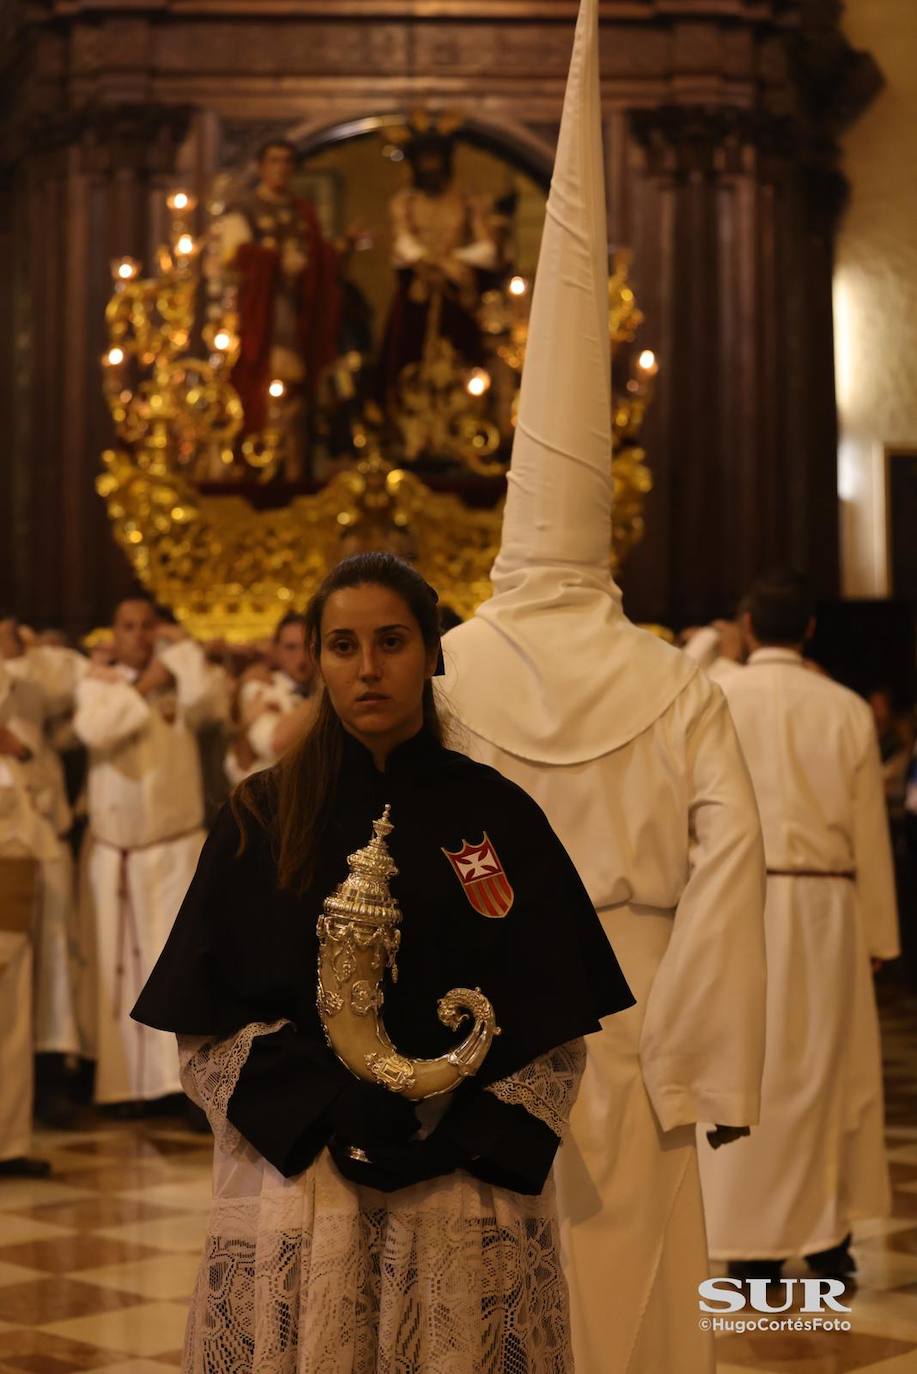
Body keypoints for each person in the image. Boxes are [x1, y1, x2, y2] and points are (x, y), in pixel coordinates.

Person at [437, 2, 767, 1370]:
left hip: (480, 1024)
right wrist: (694, 1060)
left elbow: (406, 852)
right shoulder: (676, 680)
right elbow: (732, 860)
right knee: (634, 1309)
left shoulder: (446, 663)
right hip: (633, 1018)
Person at [132, 551, 634, 1374]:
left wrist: (458, 1137)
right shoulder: (263, 815)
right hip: (305, 1190)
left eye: (392, 642)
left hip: (461, 1194)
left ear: (433, 651)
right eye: (342, 645)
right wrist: (329, 1110)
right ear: (318, 658)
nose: (367, 668)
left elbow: (553, 1024)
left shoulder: (496, 815)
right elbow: (207, 1030)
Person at [697, 569, 900, 1281]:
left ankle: (749, 1248)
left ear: (748, 628)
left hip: (732, 904)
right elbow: (867, 827)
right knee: (826, 1070)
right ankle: (826, 1238)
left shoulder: (713, 695)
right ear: (809, 630)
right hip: (825, 908)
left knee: (744, 1064)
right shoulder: (844, 708)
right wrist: (878, 933)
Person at [73, 598, 227, 1109]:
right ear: (113, 634)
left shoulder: (178, 672)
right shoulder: (97, 683)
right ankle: (122, 1087)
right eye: (128, 627)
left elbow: (212, 702)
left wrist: (182, 654)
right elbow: (95, 731)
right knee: (116, 971)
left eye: (147, 626)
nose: (138, 636)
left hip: (173, 845)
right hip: (116, 852)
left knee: (173, 963)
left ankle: (175, 1086)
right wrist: (144, 686)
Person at [219, 138, 342, 471]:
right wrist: (274, 261)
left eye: (287, 162)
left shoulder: (302, 212)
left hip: (297, 312)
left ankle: (294, 460)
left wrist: (333, 254)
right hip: (259, 312)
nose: (281, 169)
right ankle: (257, 460)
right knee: (259, 382)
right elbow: (236, 255)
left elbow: (319, 258)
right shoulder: (244, 208)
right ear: (261, 167)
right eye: (274, 161)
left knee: (297, 389)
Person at [0, 660, 55, 1176]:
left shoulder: (13, 749)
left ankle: (10, 1143)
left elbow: (46, 803)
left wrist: (21, 752)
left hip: (12, 886)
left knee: (13, 1020)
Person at [225, 611, 317, 784]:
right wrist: (324, 692)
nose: (301, 657)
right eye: (291, 647)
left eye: (308, 646)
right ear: (276, 651)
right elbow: (270, 743)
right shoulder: (260, 686)